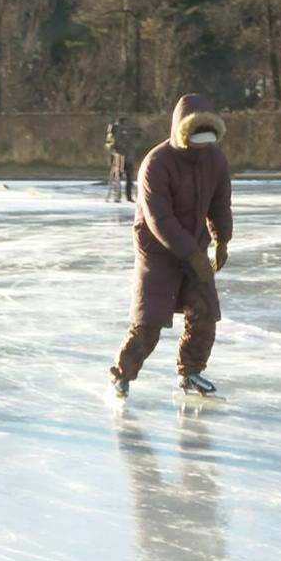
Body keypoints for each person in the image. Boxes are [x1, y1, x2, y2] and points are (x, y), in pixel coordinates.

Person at [109, 94, 232, 399]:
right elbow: (158, 218)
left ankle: (191, 371)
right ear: (183, 132)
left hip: (195, 242)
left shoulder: (215, 160)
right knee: (150, 319)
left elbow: (220, 204)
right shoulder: (157, 163)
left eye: (207, 141)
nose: (202, 147)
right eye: (197, 140)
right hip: (157, 250)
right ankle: (122, 374)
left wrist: (222, 239)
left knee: (205, 312)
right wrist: (191, 253)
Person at [105, 117, 142, 202]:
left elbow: (109, 144)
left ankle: (118, 197)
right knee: (127, 178)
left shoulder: (115, 130)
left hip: (120, 156)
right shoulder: (127, 129)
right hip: (126, 156)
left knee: (119, 177)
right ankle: (126, 197)